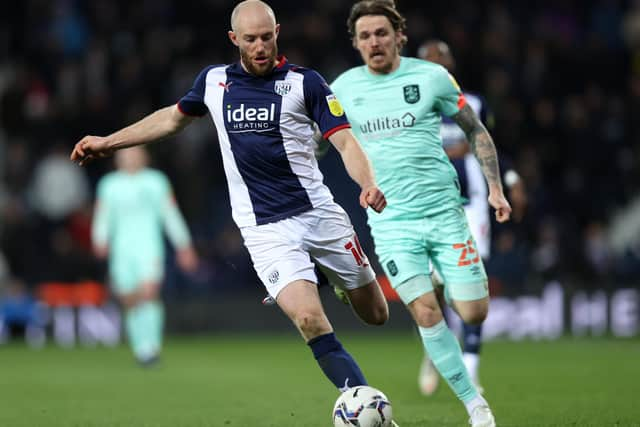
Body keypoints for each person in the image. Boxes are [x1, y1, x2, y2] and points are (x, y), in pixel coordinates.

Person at [72, 0, 390, 397]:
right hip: (265, 229)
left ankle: (331, 277)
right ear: (234, 39)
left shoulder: (305, 83)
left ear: (278, 33)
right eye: (251, 39)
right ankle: (361, 402)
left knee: (376, 315)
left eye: (266, 37)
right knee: (309, 319)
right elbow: (171, 119)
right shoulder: (213, 82)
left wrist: (367, 183)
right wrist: (108, 142)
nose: (260, 47)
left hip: (319, 215)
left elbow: (344, 140)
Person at [329, 1, 512, 426]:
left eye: (381, 33)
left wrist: (496, 190)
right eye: (365, 36)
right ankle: (475, 406)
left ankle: (444, 278)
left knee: (473, 313)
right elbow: (324, 142)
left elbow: (474, 129)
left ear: (399, 36)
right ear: (355, 43)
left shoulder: (432, 78)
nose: (374, 42)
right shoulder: (341, 89)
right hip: (391, 222)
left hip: (446, 215)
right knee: (427, 313)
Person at [416, 39, 527, 396]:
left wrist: (510, 179)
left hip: (473, 205)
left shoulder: (473, 103)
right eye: (429, 59)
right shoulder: (412, 106)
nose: (437, 63)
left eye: (442, 57)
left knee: (473, 283)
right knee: (437, 287)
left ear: (451, 63)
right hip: (430, 205)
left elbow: (489, 146)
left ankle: (471, 370)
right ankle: (435, 351)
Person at [92, 146, 198, 366]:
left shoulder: (156, 181)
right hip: (122, 249)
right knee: (129, 298)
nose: (129, 158)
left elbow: (170, 215)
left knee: (149, 293)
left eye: (134, 153)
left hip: (149, 246)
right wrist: (99, 239)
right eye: (125, 154)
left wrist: (184, 245)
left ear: (144, 157)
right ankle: (140, 347)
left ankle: (152, 347)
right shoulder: (109, 185)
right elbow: (103, 215)